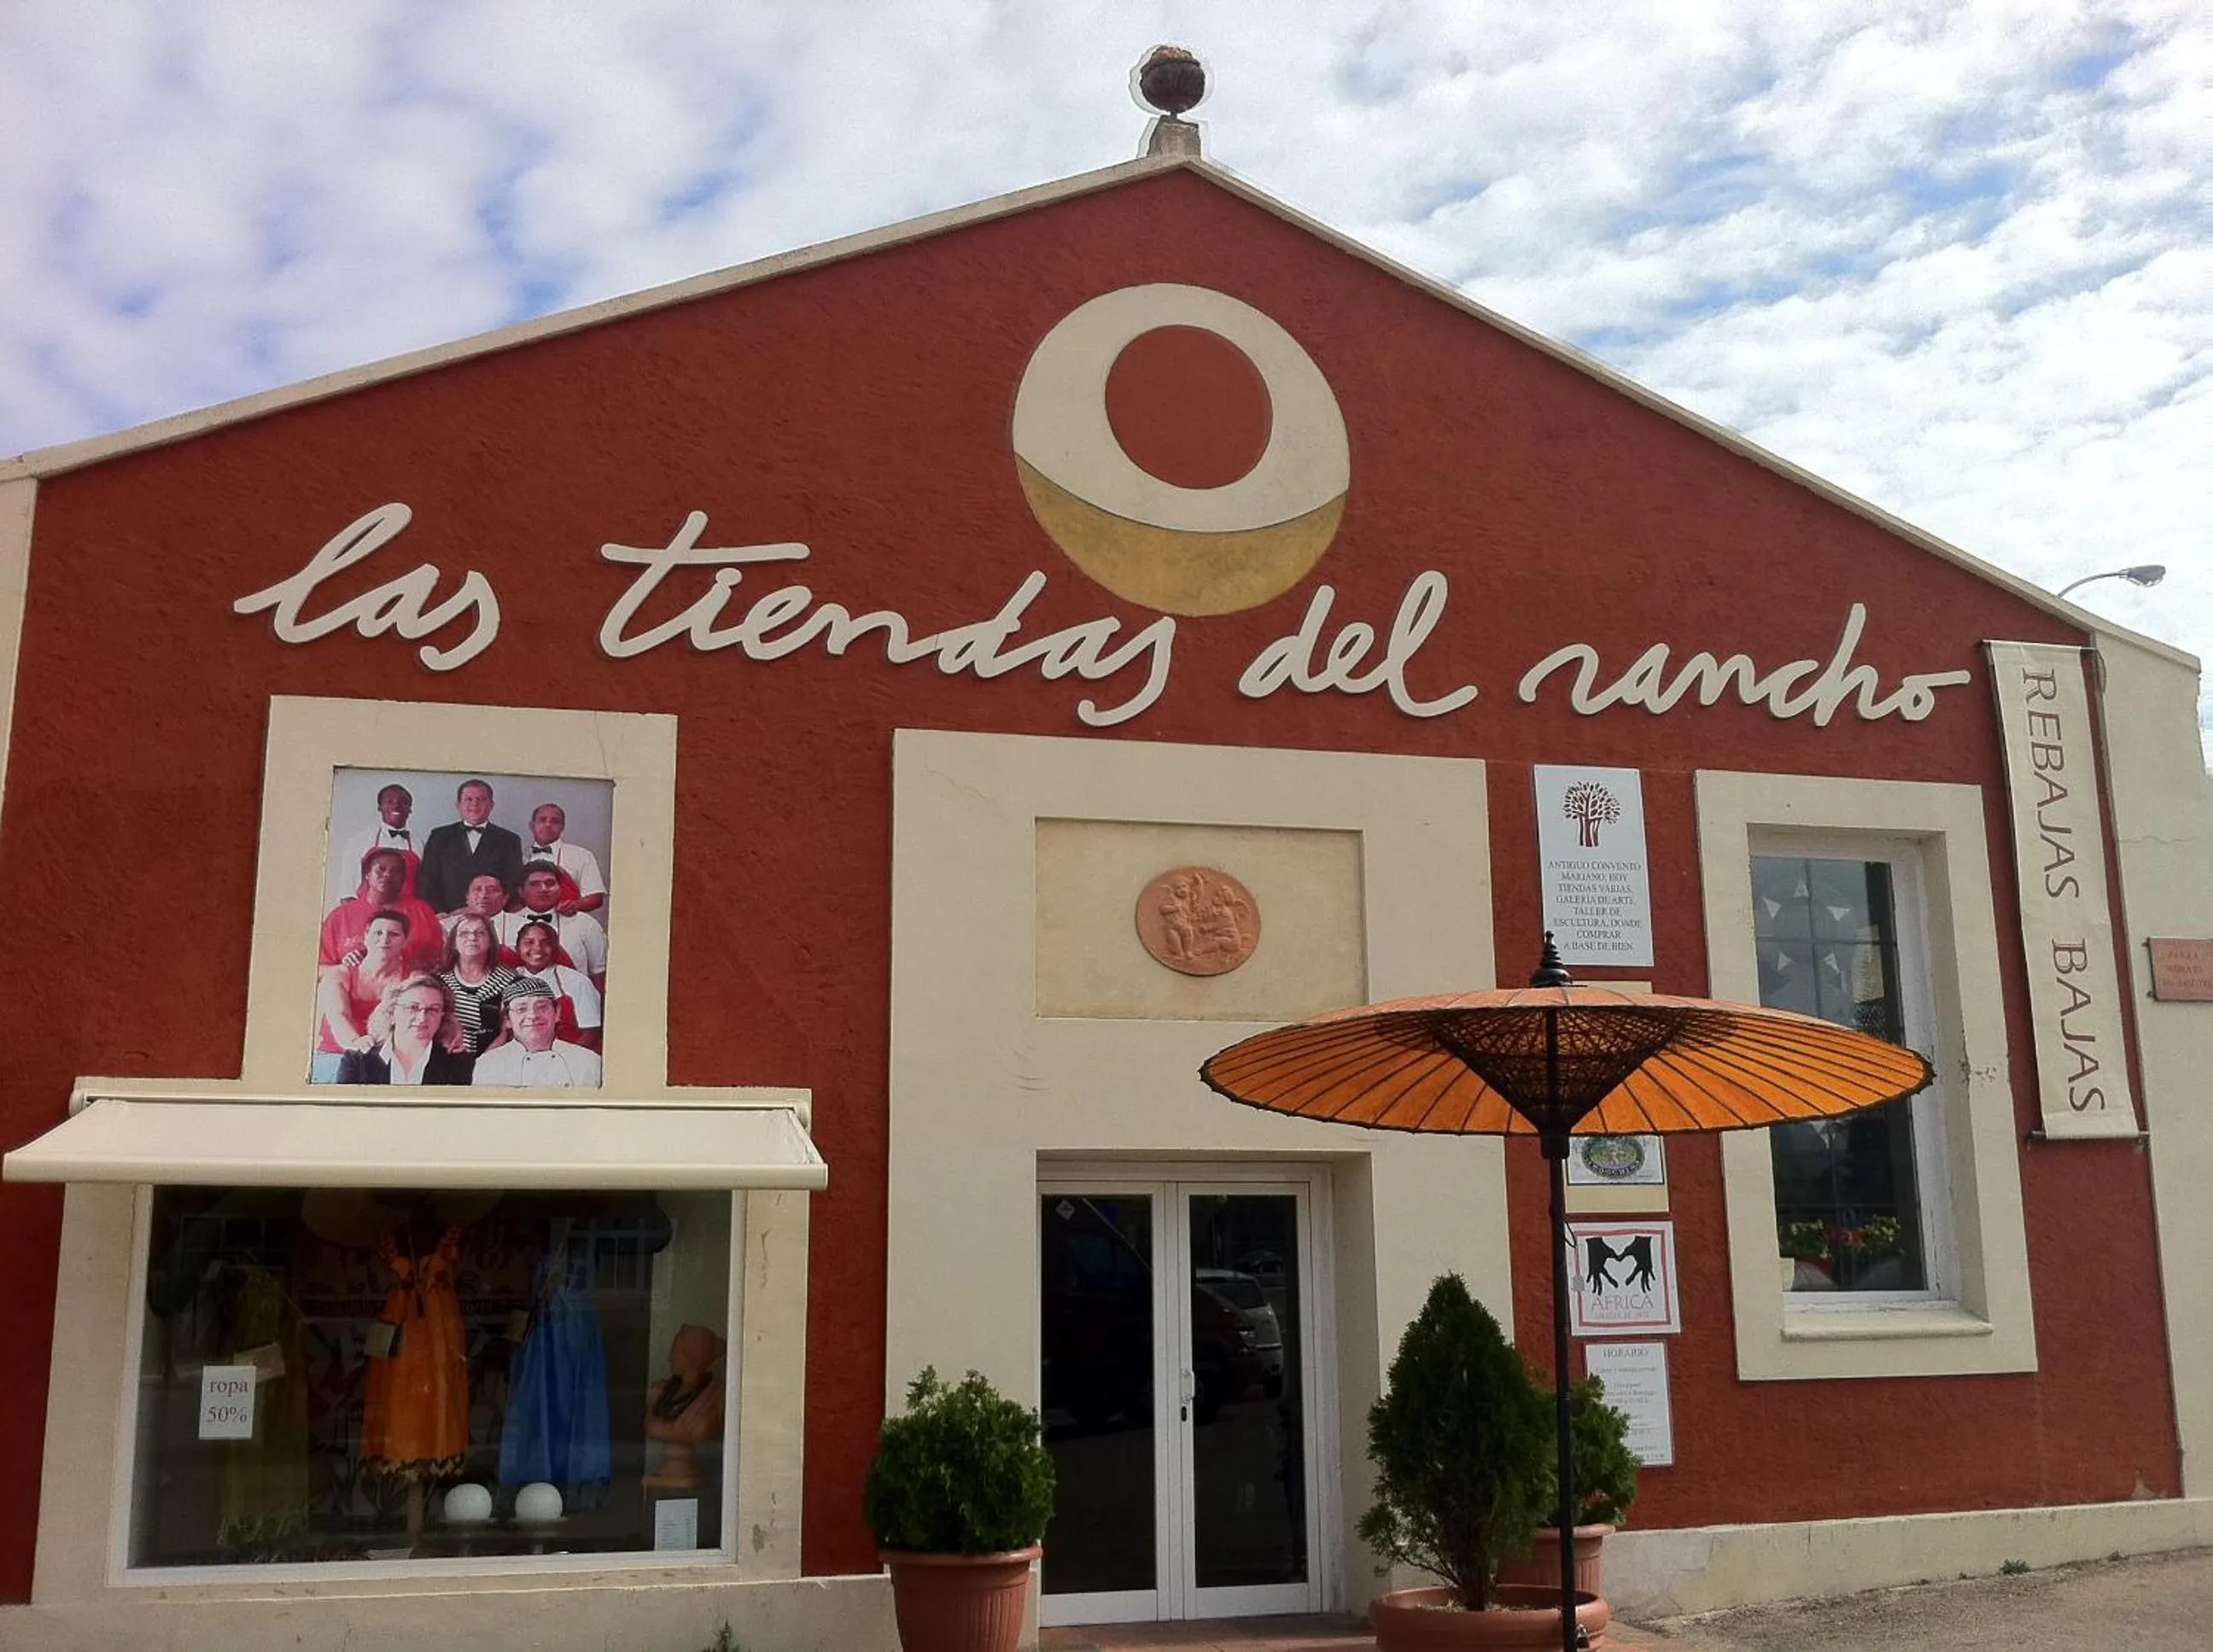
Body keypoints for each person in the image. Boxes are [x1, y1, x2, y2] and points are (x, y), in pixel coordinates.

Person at [313, 911, 415, 1083]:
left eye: (394, 934)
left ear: (405, 940)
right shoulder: (340, 973)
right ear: (366, 936)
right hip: (335, 1055)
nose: (385, 939)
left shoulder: (412, 979)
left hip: (384, 1062)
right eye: (378, 932)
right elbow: (339, 1015)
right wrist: (355, 1041)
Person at [336, 973, 476, 1085]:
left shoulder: (461, 1064)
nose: (422, 1018)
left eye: (433, 1009)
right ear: (391, 1013)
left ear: (442, 1017)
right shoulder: (357, 1061)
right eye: (413, 1008)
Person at [320, 848, 444, 972]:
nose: (388, 874)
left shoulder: (422, 912)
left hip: (408, 987)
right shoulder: (340, 917)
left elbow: (441, 961)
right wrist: (343, 968)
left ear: (403, 878)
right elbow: (319, 968)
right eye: (381, 869)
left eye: (396, 871)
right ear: (367, 875)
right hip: (353, 988)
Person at [416, 779, 525, 915]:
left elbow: (513, 883)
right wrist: (442, 913)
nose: (475, 804)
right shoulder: (439, 836)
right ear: (458, 805)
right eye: (468, 799)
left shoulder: (509, 840)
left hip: (493, 919)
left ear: (491, 805)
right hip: (446, 917)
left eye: (481, 799)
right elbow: (427, 881)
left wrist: (492, 912)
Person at [493, 862, 609, 989]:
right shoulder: (502, 924)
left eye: (550, 883)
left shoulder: (585, 923)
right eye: (534, 884)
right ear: (521, 891)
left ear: (560, 888)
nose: (544, 889)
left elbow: (599, 972)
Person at [472, 978, 602, 1088]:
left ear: (557, 1013)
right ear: (507, 1020)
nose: (533, 1015)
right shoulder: (488, 1065)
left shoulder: (589, 1062)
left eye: (542, 1007)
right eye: (521, 1009)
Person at [510, 919, 603, 1050]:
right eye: (529, 943)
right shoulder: (508, 980)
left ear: (555, 948)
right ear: (517, 949)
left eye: (545, 943)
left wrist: (559, 1060)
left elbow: (591, 1033)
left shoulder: (577, 982)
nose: (537, 948)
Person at [438, 914, 518, 1056]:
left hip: (495, 1059)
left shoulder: (511, 981)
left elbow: (510, 1032)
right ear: (454, 943)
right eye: (464, 933)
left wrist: (483, 1062)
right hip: (447, 1059)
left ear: (491, 941)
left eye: (480, 932)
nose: (472, 937)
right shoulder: (437, 982)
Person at [339, 784, 421, 899]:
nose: (397, 806)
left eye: (403, 802)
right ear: (379, 807)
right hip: (369, 912)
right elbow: (347, 892)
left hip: (409, 913)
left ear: (410, 809)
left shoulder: (422, 845)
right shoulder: (358, 842)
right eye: (390, 802)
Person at [523, 803, 606, 916]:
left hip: (568, 924)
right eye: (542, 820)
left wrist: (575, 905)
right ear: (531, 825)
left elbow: (596, 898)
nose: (548, 824)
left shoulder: (582, 855)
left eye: (555, 821)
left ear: (563, 827)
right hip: (525, 924)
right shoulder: (519, 857)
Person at [438, 873, 514, 941]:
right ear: (467, 897)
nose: (483, 895)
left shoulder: (521, 925)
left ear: (505, 898)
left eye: (491, 890)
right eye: (477, 889)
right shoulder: (446, 927)